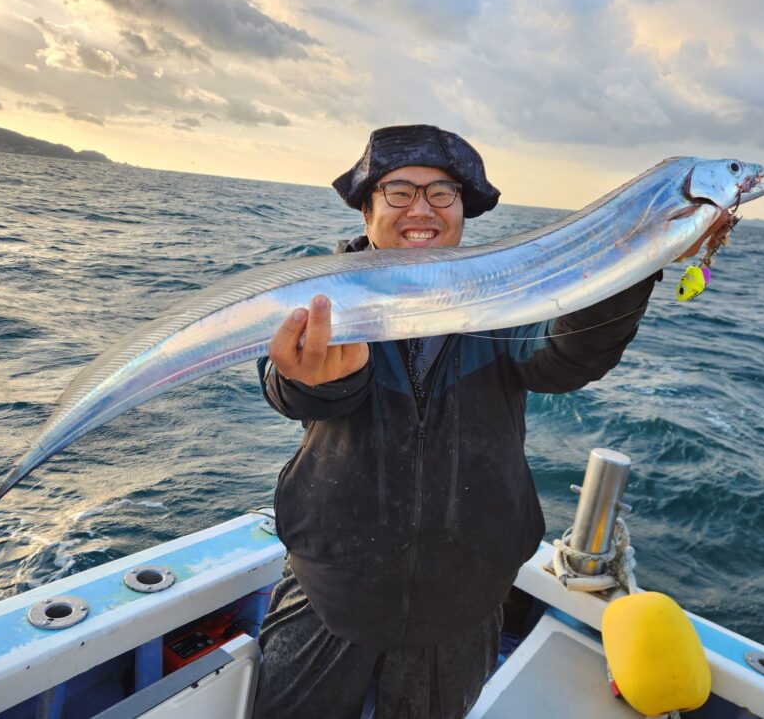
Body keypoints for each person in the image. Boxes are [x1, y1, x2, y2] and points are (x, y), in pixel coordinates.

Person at [252, 125, 711, 719]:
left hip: (464, 605)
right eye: (398, 192)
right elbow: (289, 389)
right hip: (330, 587)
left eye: (443, 193)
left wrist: (631, 263)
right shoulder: (321, 296)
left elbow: (566, 357)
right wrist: (316, 379)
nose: (422, 208)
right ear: (366, 209)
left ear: (464, 212)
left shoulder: (510, 294)